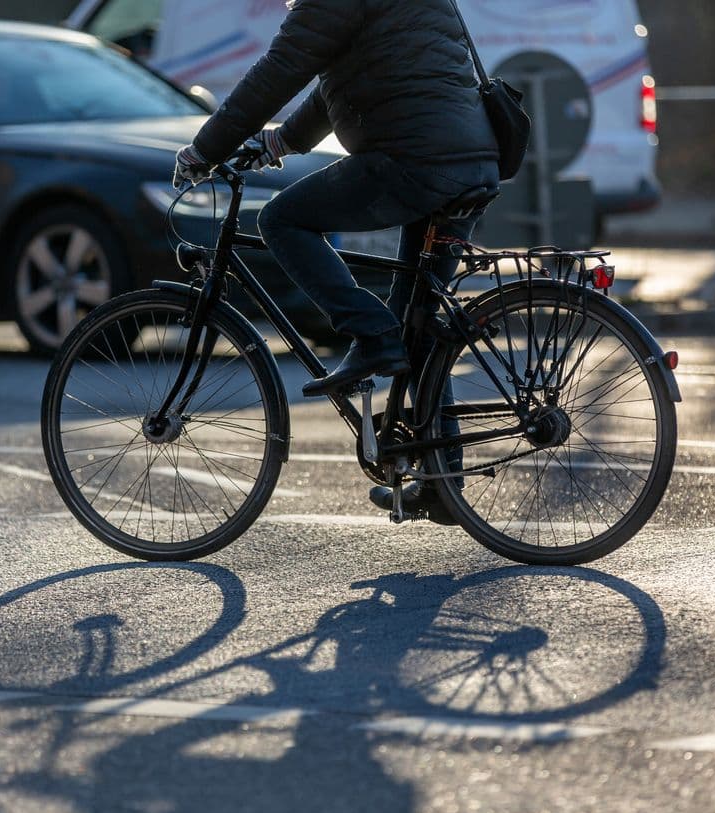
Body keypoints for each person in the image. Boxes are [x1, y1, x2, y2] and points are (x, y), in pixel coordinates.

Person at [174, 0, 501, 523]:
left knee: (280, 220)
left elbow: (281, 70)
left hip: (412, 160)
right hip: (471, 160)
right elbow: (357, 71)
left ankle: (371, 335)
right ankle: (444, 482)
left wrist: (203, 149)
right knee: (416, 325)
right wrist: (283, 140)